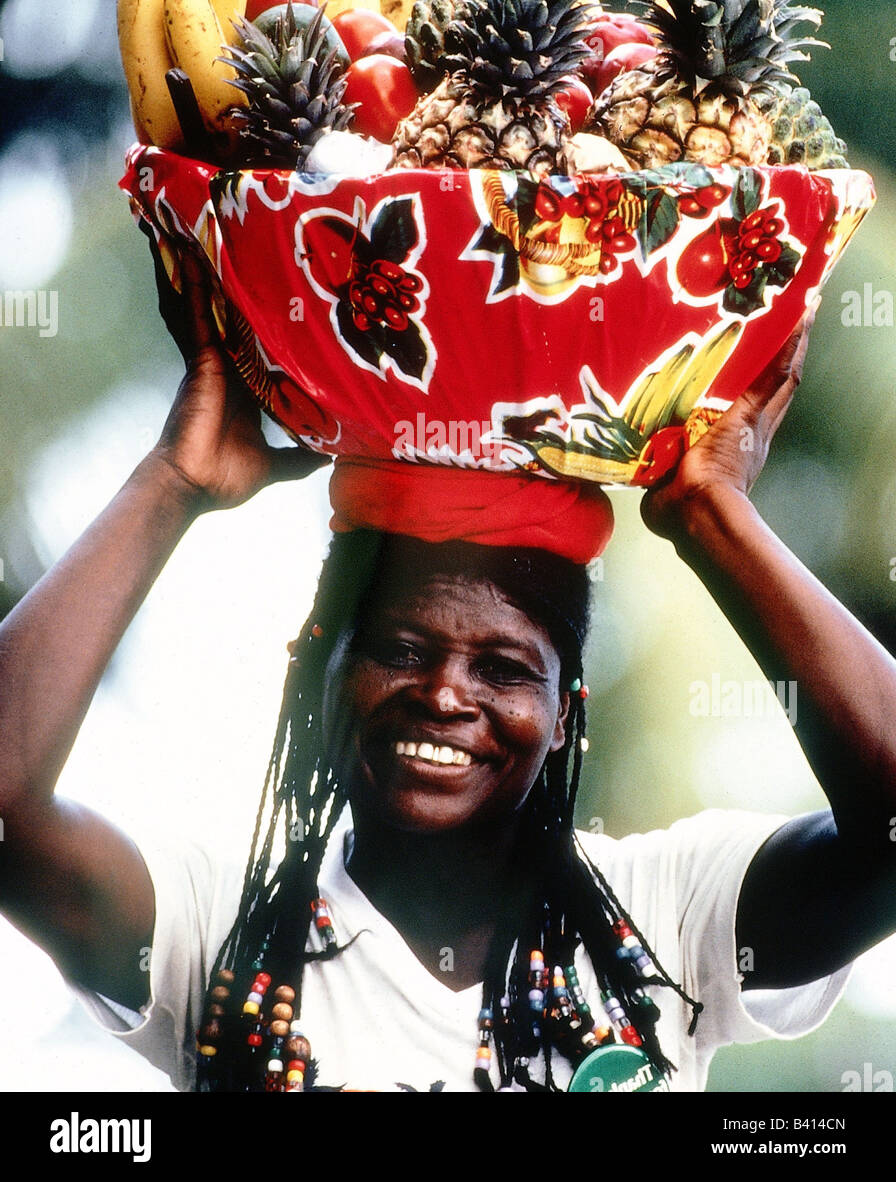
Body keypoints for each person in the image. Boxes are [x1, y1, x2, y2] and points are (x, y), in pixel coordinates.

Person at [1, 253, 895, 1094]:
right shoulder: (214, 934)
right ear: (317, 664)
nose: (443, 695)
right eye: (400, 649)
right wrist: (171, 481)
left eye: (504, 667)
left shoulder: (669, 919)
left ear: (565, 709)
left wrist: (713, 514)